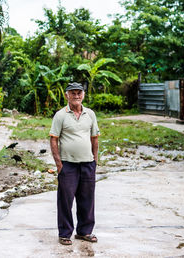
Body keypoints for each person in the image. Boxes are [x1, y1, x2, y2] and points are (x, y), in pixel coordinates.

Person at [50, 82, 100, 245]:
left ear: (83, 95)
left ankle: (84, 231)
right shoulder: (60, 115)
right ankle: (65, 233)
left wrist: (95, 160)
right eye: (73, 93)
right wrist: (59, 164)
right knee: (65, 200)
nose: (76, 96)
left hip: (87, 164)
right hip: (68, 165)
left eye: (79, 93)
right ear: (67, 95)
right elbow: (54, 139)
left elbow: (95, 138)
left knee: (87, 199)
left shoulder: (90, 114)